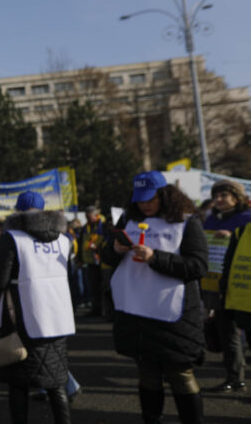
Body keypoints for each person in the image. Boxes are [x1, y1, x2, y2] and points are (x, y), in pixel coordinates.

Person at [103, 171, 206, 424]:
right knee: (147, 372)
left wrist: (155, 258)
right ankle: (151, 419)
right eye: (139, 199)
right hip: (135, 310)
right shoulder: (128, 219)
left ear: (165, 195)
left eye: (150, 199)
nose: (144, 204)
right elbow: (107, 258)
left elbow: (198, 266)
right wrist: (114, 250)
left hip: (174, 312)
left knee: (180, 372)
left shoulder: (187, 222)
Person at [0, 191, 75, 424]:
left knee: (18, 384)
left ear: (18, 210)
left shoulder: (12, 237)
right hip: (57, 318)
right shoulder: (64, 239)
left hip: (22, 317)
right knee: (56, 382)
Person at [202, 179, 251, 393]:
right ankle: (234, 377)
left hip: (242, 286)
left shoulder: (247, 219)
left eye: (224, 195)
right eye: (216, 196)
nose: (218, 200)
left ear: (236, 197)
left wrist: (232, 238)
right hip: (216, 283)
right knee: (226, 333)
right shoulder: (211, 219)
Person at [78, 206, 106, 317]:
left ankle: (104, 310)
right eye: (86, 217)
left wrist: (98, 248)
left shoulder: (103, 226)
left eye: (89, 217)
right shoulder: (86, 227)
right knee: (93, 287)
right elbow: (80, 243)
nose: (87, 220)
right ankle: (96, 309)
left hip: (102, 261)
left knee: (103, 287)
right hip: (90, 261)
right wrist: (79, 258)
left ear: (96, 215)